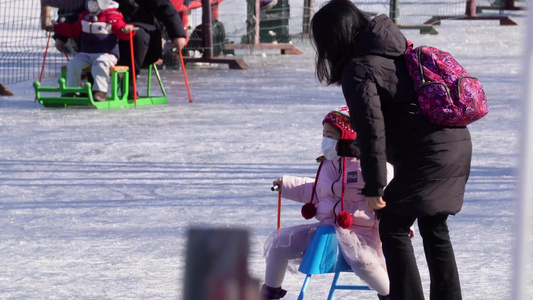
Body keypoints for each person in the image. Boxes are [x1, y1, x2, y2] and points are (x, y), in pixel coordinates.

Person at [310, 1, 473, 299]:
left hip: (428, 152)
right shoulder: (396, 50)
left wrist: (374, 186)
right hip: (455, 144)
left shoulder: (359, 69)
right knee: (433, 226)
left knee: (394, 225)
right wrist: (350, 148)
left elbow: (373, 130)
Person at [262, 106, 391, 300]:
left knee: (364, 262)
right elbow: (318, 191)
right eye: (324, 134)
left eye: (330, 135)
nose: (325, 140)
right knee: (279, 244)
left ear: (349, 137)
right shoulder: (329, 163)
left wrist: (400, 223)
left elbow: (390, 194)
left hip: (362, 235)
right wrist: (287, 185)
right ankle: (270, 294)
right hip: (328, 233)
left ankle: (391, 294)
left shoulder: (373, 166)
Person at [53, 0, 136, 101]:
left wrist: (128, 29)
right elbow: (74, 30)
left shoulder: (113, 16)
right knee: (73, 64)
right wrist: (57, 28)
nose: (91, 5)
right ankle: (72, 90)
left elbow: (120, 29)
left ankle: (100, 91)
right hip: (86, 54)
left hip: (107, 54)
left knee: (100, 64)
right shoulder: (84, 16)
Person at [114, 0, 187, 83]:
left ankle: (129, 81)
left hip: (139, 28)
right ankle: (98, 89)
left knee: (137, 36)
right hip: (105, 27)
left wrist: (178, 34)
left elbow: (164, 7)